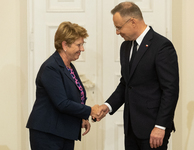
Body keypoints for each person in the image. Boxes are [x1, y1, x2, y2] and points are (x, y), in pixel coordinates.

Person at [98, 2, 179, 150]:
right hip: (131, 128)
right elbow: (126, 83)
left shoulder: (161, 46)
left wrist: (160, 126)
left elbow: (170, 90)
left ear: (133, 21)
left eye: (119, 27)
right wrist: (108, 106)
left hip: (153, 128)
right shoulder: (125, 46)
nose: (117, 32)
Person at [26, 21, 103, 150]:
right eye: (79, 45)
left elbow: (74, 97)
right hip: (47, 134)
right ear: (65, 45)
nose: (82, 49)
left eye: (82, 44)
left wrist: (82, 117)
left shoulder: (69, 67)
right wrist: (90, 110)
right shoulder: (51, 67)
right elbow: (62, 103)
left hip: (62, 131)